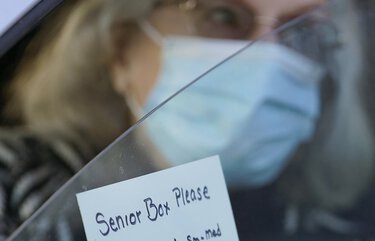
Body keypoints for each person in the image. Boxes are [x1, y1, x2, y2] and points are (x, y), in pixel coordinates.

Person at [9, 0, 375, 240]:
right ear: (122, 50)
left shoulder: (346, 220)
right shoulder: (14, 187)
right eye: (222, 15)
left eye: (299, 32)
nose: (266, 59)